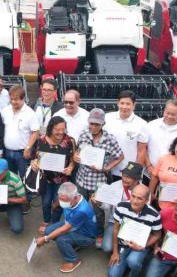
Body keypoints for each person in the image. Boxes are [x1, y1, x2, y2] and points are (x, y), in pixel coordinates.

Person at [74, 108, 124, 245]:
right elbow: (78, 151)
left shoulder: (109, 139)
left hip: (98, 180)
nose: (93, 127)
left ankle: (99, 233)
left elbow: (120, 156)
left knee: (99, 210)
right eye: (91, 123)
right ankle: (81, 229)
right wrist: (76, 156)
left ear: (103, 124)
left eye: (97, 124)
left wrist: (107, 168)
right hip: (82, 178)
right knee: (80, 206)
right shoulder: (84, 134)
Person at [35, 182, 98, 273]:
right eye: (61, 199)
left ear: (75, 198)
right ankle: (73, 244)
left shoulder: (82, 210)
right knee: (48, 231)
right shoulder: (71, 196)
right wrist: (55, 204)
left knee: (61, 239)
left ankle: (73, 260)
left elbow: (64, 229)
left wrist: (45, 239)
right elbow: (61, 201)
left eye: (65, 200)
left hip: (86, 235)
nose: (62, 202)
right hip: (71, 224)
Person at [108, 185, 163, 277]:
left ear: (146, 200)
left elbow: (157, 234)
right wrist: (115, 252)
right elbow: (116, 229)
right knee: (113, 275)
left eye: (140, 198)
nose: (135, 201)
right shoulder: (121, 206)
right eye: (133, 196)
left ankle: (134, 273)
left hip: (140, 247)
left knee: (133, 261)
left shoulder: (154, 215)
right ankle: (127, 263)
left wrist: (143, 245)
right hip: (123, 246)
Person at [31, 116, 76, 226]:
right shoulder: (41, 140)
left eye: (63, 129)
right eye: (57, 129)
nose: (60, 132)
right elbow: (35, 157)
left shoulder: (69, 141)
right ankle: (46, 221)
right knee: (46, 202)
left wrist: (70, 167)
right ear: (51, 128)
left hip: (62, 179)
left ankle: (54, 223)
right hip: (45, 179)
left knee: (59, 202)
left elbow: (73, 159)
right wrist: (35, 163)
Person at [1, 85, 39, 213]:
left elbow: (35, 132)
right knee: (9, 178)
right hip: (7, 151)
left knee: (24, 178)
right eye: (11, 99)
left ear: (23, 99)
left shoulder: (30, 113)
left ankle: (26, 201)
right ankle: (11, 199)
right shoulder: (5, 110)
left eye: (16, 99)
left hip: (22, 153)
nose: (13, 102)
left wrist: (28, 148)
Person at [104, 90, 148, 181]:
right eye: (122, 103)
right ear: (117, 103)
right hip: (106, 169)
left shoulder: (141, 124)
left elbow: (141, 152)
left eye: (128, 104)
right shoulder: (107, 118)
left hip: (127, 172)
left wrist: (133, 172)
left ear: (134, 105)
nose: (124, 107)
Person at [100, 162, 143, 254]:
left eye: (128, 177)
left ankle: (122, 250)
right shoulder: (114, 186)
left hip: (133, 224)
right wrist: (99, 203)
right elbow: (107, 207)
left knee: (131, 250)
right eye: (123, 175)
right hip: (114, 221)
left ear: (137, 179)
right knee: (106, 248)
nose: (124, 178)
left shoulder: (143, 191)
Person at [144, 100, 177, 182]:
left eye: (173, 114)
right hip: (149, 173)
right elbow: (143, 148)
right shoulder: (151, 126)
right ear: (164, 111)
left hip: (173, 176)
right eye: (167, 113)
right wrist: (148, 166)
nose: (169, 116)